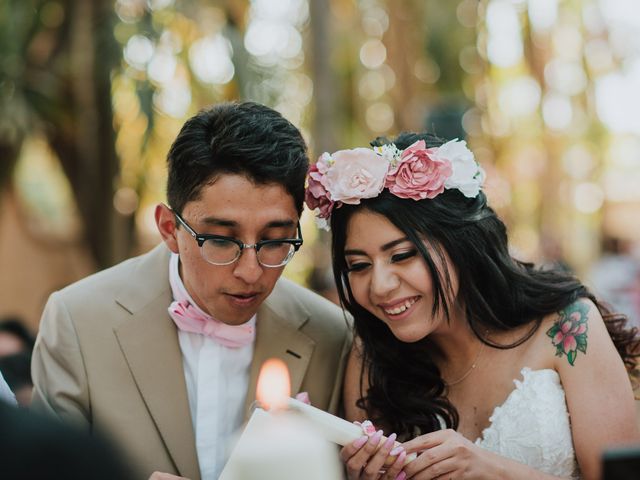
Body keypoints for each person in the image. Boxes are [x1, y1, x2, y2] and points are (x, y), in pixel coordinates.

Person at [31, 101, 352, 480]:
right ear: (170, 228)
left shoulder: (332, 334)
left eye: (275, 240)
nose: (251, 272)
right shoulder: (78, 322)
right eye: (220, 239)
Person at [304, 132, 640, 479]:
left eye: (402, 255)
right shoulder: (371, 357)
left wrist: (495, 472)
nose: (380, 286)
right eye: (358, 266)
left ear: (461, 242)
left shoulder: (567, 327)